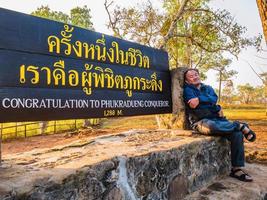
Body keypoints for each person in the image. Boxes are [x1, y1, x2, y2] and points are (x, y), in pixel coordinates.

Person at [183, 68, 256, 182]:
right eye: (191, 76)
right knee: (211, 127)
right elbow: (193, 105)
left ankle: (236, 169)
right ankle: (240, 126)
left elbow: (214, 98)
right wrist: (206, 100)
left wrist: (200, 99)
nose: (195, 77)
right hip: (201, 121)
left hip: (218, 118)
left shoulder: (208, 88)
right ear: (187, 81)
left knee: (237, 135)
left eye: (196, 74)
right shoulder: (188, 90)